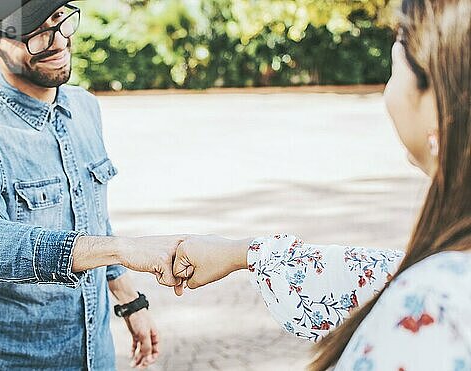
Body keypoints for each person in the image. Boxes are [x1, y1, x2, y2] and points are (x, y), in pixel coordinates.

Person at [170, 0, 471, 369]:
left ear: (436, 89)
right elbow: (374, 275)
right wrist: (242, 254)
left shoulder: (430, 309)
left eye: (395, 63)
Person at [0, 1, 182, 369]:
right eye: (32, 32)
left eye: (58, 20)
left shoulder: (84, 107)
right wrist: (117, 249)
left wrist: (130, 302)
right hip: (16, 360)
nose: (57, 41)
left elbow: (93, 219)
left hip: (98, 356)